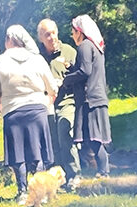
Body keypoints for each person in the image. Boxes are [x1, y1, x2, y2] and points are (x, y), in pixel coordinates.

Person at [0, 25, 58, 205]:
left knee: (17, 153)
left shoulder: (0, 61)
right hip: (37, 110)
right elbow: (52, 86)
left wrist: (0, 103)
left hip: (13, 112)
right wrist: (47, 101)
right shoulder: (37, 60)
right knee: (38, 151)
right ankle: (39, 193)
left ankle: (22, 192)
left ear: (10, 40)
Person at [62, 15, 112, 179]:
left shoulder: (84, 46)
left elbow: (85, 71)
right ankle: (103, 171)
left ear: (79, 31)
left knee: (94, 138)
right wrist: (71, 68)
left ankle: (103, 172)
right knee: (94, 137)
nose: (72, 35)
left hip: (89, 99)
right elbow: (86, 69)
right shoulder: (95, 47)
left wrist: (66, 80)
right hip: (97, 97)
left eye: (73, 31)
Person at [37, 19, 80, 191]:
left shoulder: (69, 51)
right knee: (52, 141)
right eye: (47, 34)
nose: (51, 37)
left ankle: (74, 174)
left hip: (67, 101)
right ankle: (59, 178)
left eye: (53, 32)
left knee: (64, 132)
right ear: (40, 37)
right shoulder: (36, 57)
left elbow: (81, 74)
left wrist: (64, 81)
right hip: (47, 104)